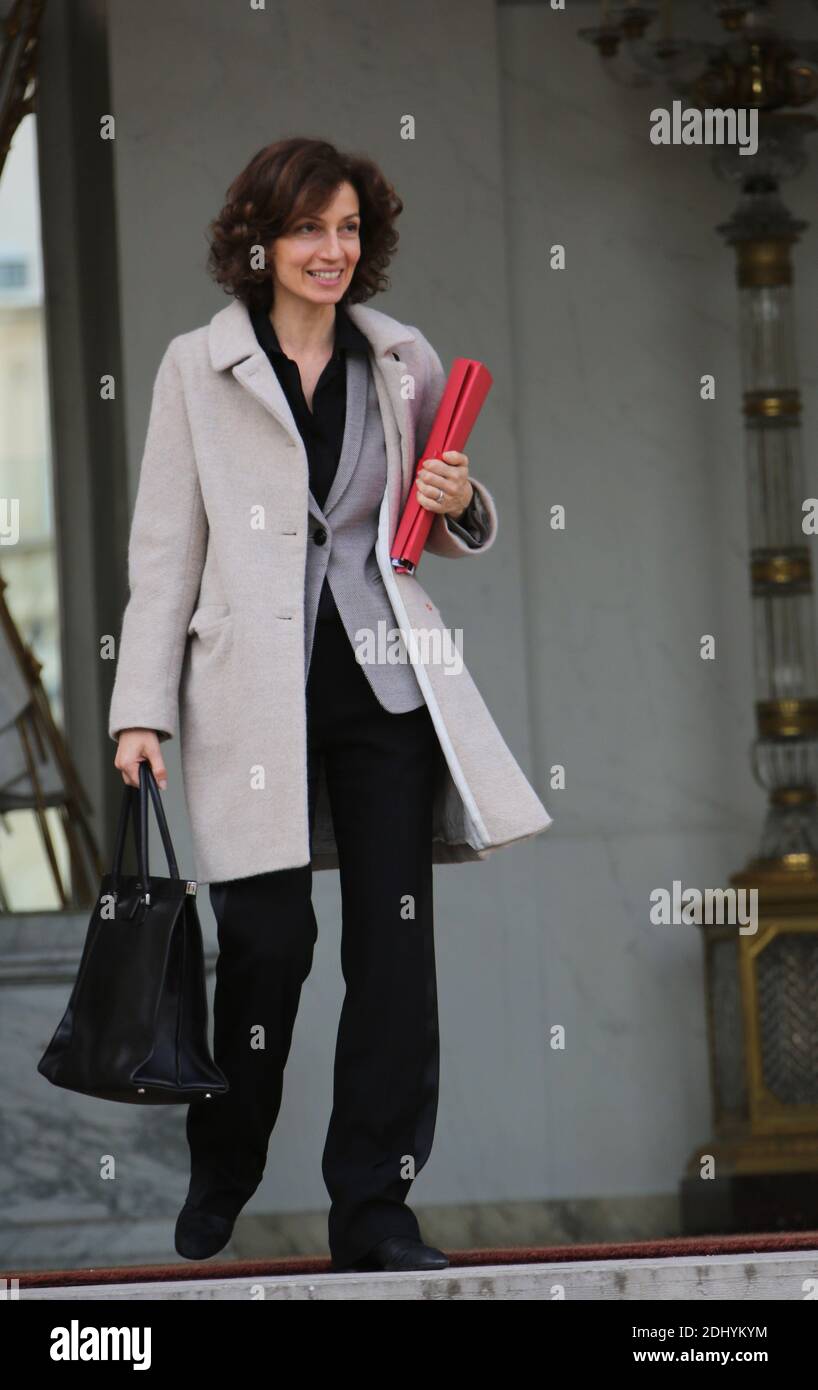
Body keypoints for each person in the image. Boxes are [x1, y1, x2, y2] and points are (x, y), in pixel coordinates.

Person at [109, 136, 552, 1273]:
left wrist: (458, 499)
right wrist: (137, 710)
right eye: (309, 228)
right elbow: (163, 555)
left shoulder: (399, 362)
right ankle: (229, 1151)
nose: (330, 250)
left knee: (394, 961)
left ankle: (375, 1209)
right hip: (248, 695)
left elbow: (433, 522)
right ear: (259, 240)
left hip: (381, 685)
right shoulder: (193, 371)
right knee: (269, 942)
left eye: (348, 229)